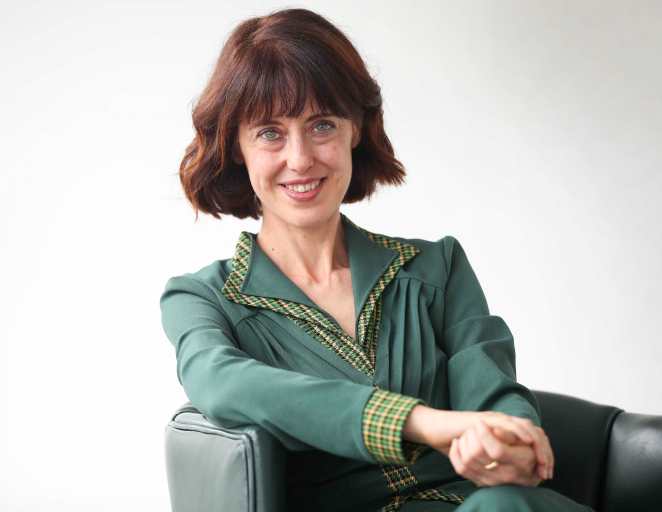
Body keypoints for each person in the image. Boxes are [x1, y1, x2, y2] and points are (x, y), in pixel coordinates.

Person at [159, 7, 594, 512]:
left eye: (321, 125)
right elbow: (223, 383)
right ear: (237, 146)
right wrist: (423, 423)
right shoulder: (201, 298)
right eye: (270, 133)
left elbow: (493, 394)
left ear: (356, 131)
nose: (300, 158)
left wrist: (511, 443)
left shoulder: (437, 267)